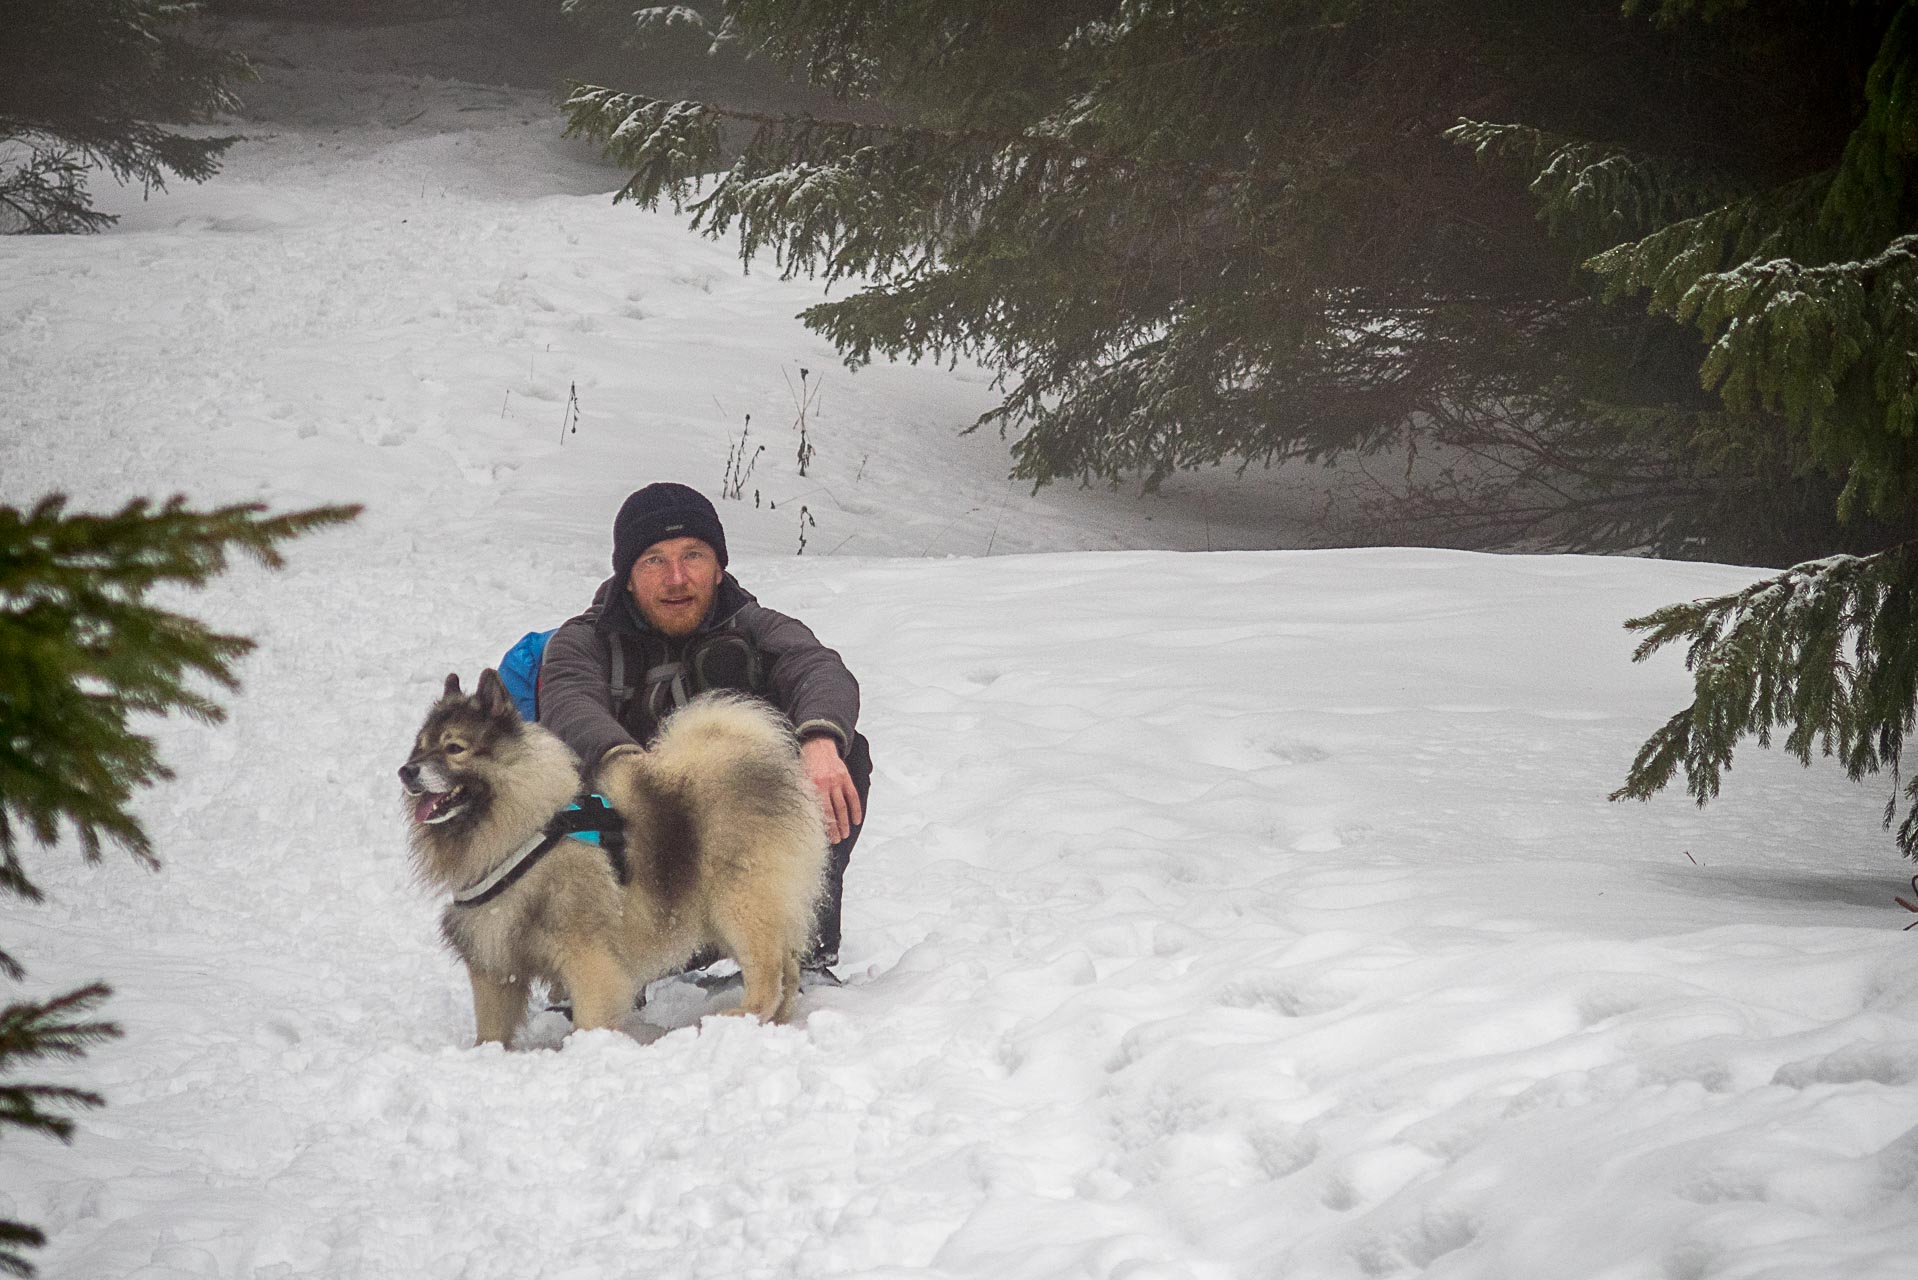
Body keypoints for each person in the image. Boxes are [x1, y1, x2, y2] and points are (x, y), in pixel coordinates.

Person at [537, 483, 870, 975]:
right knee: (563, 793)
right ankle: (602, 964)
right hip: (632, 838)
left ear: (719, 568)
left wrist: (820, 742)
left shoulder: (755, 627)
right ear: (626, 577)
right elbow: (569, 703)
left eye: (693, 555)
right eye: (653, 559)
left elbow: (817, 668)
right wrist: (625, 764)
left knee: (845, 754)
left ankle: (797, 942)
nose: (676, 578)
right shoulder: (581, 643)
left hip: (737, 842)